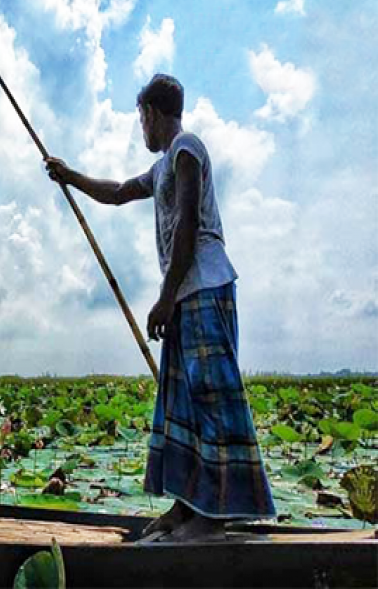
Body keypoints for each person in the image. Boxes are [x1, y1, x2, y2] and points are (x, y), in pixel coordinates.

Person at [45, 74, 276, 542]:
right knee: (184, 406)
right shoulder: (163, 166)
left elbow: (188, 223)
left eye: (141, 120)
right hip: (184, 294)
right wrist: (68, 175)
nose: (142, 130)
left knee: (211, 399)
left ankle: (215, 512)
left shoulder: (186, 148)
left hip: (203, 287)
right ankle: (187, 503)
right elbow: (117, 192)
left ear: (151, 113)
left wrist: (166, 297)